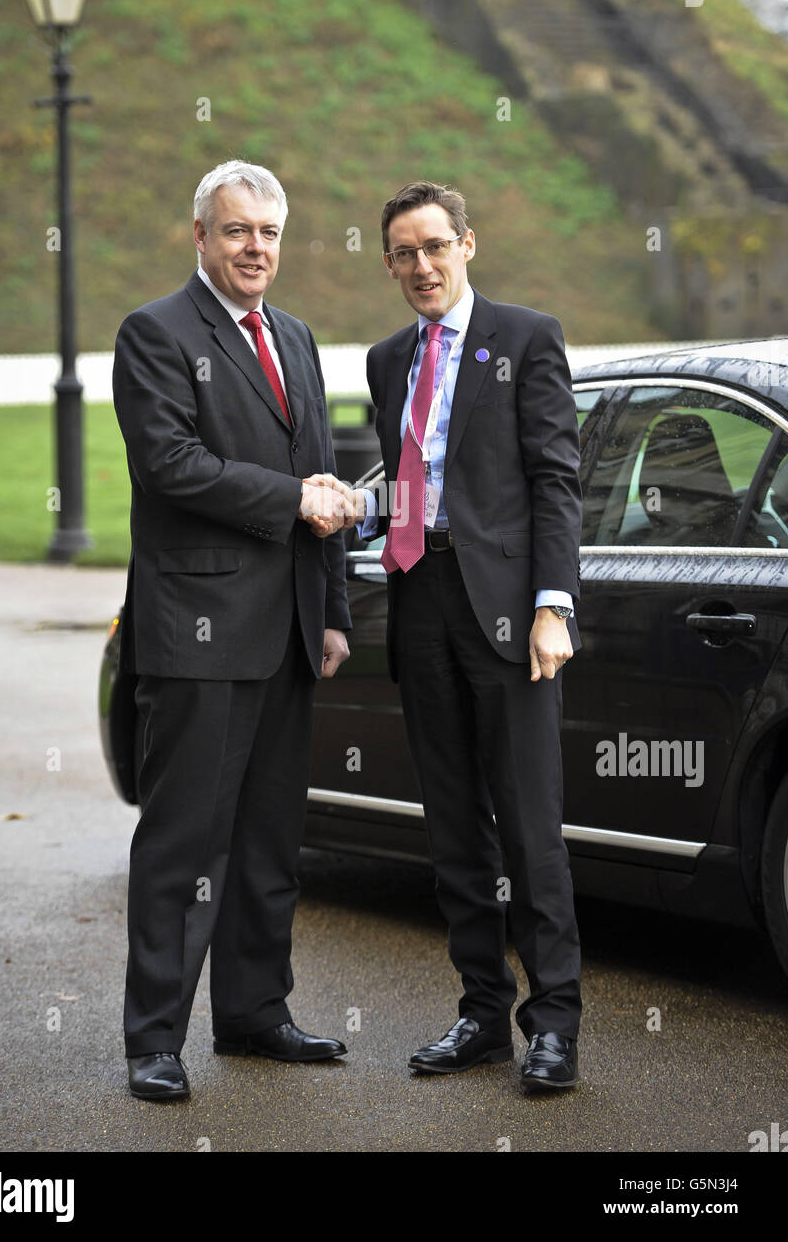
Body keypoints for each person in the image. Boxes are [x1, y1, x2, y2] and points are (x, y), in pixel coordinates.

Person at [305, 181, 583, 1089]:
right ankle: (479, 1017)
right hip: (419, 601)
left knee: (528, 822)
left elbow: (554, 480)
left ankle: (553, 1026)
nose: (420, 266)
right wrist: (360, 508)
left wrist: (552, 604)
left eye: (434, 246)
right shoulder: (390, 360)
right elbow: (417, 477)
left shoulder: (526, 337)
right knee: (454, 822)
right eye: (402, 253)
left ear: (468, 243)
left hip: (508, 610)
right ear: (387, 262)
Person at [112, 160, 357, 1100]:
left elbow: (323, 475)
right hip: (198, 633)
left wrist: (331, 612)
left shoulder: (293, 336)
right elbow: (171, 464)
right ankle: (154, 1039)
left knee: (266, 841)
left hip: (288, 632)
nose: (256, 248)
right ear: (201, 238)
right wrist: (295, 499)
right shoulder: (156, 333)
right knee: (185, 841)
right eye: (238, 231)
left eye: (269, 234)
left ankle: (254, 1016)